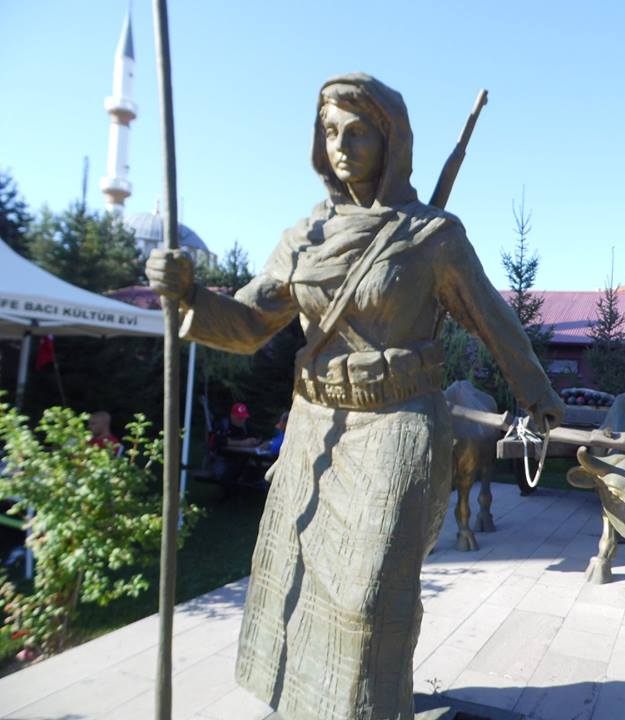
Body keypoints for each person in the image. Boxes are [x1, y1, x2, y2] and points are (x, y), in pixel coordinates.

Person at [146, 74, 563, 720]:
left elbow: (492, 317)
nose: (341, 146)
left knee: (371, 596)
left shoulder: (432, 236)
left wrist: (537, 392)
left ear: (391, 140)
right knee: (300, 586)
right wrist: (189, 296)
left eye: (358, 131)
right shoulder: (304, 238)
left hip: (400, 421)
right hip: (318, 424)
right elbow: (249, 324)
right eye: (330, 132)